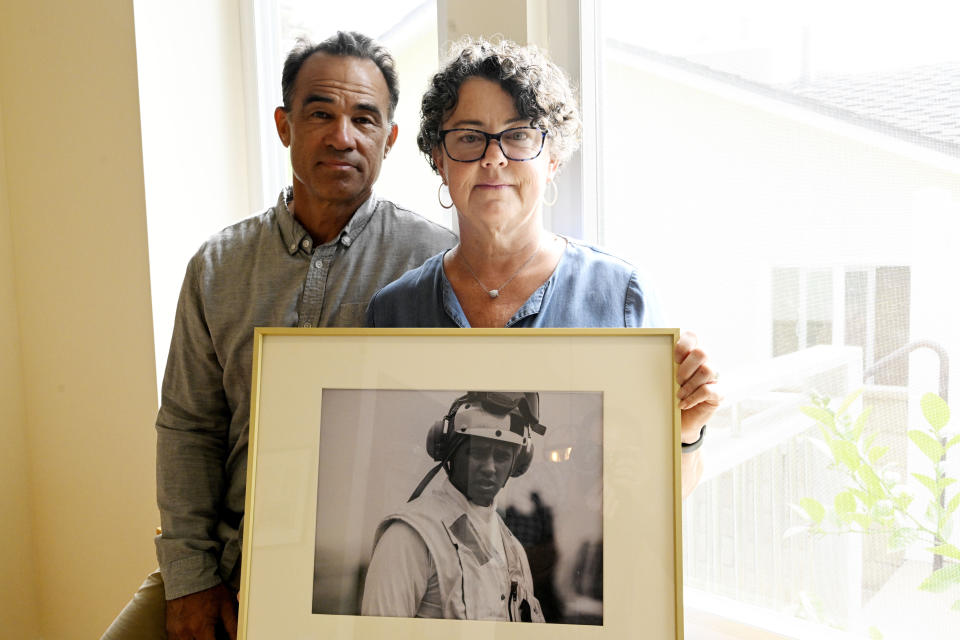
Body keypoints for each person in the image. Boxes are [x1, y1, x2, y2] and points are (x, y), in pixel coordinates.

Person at [101, 32, 457, 640]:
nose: (342, 136)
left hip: (361, 568)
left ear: (390, 139)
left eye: (364, 119)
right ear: (284, 124)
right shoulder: (217, 266)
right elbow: (189, 428)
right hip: (226, 556)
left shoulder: (436, 261)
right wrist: (190, 577)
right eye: (321, 113)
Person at [366, 37, 719, 491]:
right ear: (440, 159)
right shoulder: (392, 313)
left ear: (552, 159)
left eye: (517, 135)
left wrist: (687, 433)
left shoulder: (622, 298)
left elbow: (658, 504)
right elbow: (378, 487)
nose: (493, 158)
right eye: (470, 138)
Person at [361, 391, 546, 621]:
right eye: (477, 452)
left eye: (500, 456)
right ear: (450, 453)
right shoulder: (410, 536)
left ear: (516, 465)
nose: (489, 467)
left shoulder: (513, 551)